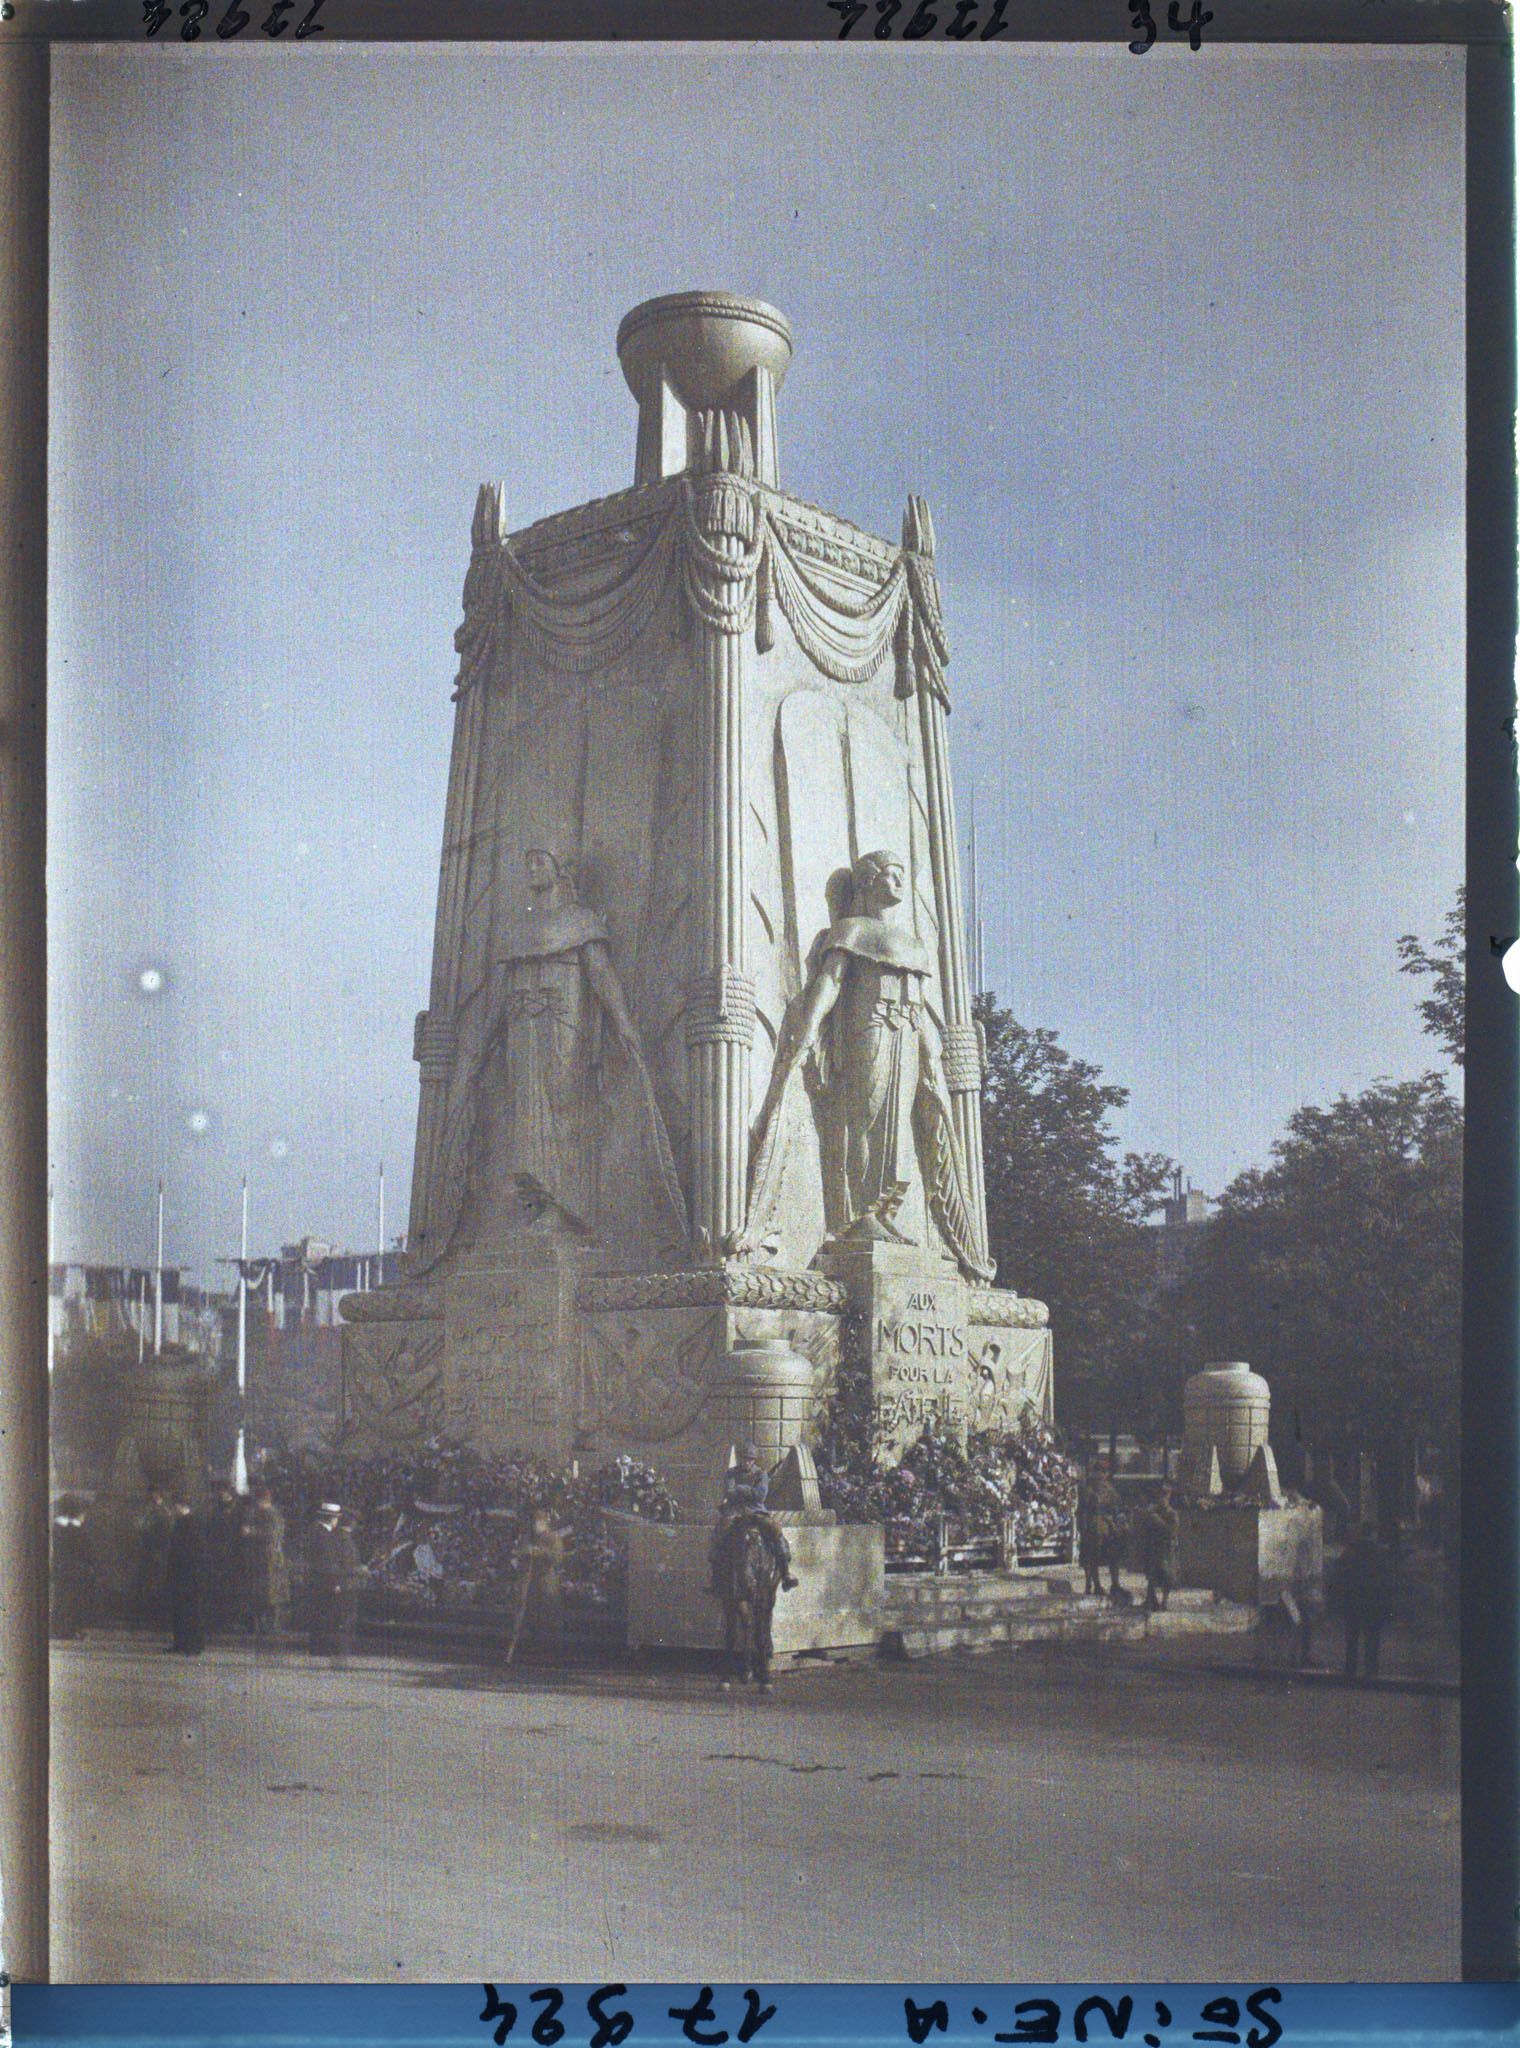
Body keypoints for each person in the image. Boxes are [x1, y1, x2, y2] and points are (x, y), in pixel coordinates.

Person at [706, 1447, 799, 1596]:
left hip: (756, 1510)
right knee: (719, 1532)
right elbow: (729, 1492)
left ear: (754, 1460)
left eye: (750, 1459)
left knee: (775, 1529)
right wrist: (749, 1491)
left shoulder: (760, 1474)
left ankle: (785, 1573)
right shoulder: (731, 1473)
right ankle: (716, 1579)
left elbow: (760, 1495)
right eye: (744, 1459)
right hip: (735, 1511)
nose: (746, 1462)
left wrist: (741, 1488)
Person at [1331, 1522, 1395, 1679]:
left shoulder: (1350, 1551)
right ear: (1372, 1534)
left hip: (1353, 1601)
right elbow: (1386, 1579)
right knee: (1372, 1638)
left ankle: (1350, 1670)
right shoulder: (1378, 1553)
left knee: (1352, 1638)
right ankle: (1371, 1671)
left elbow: (1338, 1576)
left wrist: (1339, 1599)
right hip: (1373, 1601)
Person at [306, 1501, 362, 1666]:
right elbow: (328, 1562)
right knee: (327, 1615)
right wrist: (335, 1582)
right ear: (332, 1518)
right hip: (326, 1580)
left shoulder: (321, 1532)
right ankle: (323, 1649)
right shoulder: (324, 1535)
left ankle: (320, 1647)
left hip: (321, 1579)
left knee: (322, 1615)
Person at [241, 1481, 290, 1641]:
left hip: (270, 1562)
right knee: (261, 1595)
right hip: (259, 1561)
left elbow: (272, 1535)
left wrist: (251, 1532)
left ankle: (272, 1626)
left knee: (271, 1596)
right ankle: (261, 1625)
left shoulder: (273, 1515)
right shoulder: (257, 1514)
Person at [164, 1499, 207, 1655]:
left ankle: (193, 1645)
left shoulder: (192, 1523)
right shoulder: (182, 1522)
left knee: (191, 1611)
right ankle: (181, 1643)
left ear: (181, 1506)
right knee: (180, 1610)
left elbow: (194, 1551)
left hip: (189, 1575)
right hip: (182, 1574)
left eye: (176, 1506)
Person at [206, 1480, 247, 1638]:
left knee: (232, 1588)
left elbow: (241, 1532)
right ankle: (219, 1620)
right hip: (217, 1554)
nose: (222, 1494)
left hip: (234, 1554)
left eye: (224, 1491)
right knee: (218, 1588)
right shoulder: (215, 1510)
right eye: (220, 1491)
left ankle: (233, 1619)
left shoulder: (239, 1510)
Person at [1079, 1457, 1125, 1598]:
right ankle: (1094, 1584)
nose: (1100, 1475)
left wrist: (1118, 1524)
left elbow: (1117, 1509)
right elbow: (1083, 1510)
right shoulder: (1088, 1490)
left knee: (1114, 1556)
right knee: (1092, 1556)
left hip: (1109, 1526)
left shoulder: (1111, 1490)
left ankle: (1115, 1584)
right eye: (1098, 1471)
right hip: (1093, 1526)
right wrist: (1083, 1526)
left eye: (1103, 1472)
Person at [50, 1495, 93, 1640]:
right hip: (74, 1570)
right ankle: (69, 1629)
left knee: (62, 1599)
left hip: (62, 1568)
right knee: (72, 1600)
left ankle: (62, 1629)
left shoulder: (59, 1527)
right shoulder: (75, 1529)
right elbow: (85, 1551)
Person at [132, 1488, 175, 1631]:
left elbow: (165, 1532)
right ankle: (149, 1617)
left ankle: (156, 1618)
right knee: (149, 1584)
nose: (155, 1497)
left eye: (157, 1494)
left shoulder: (163, 1512)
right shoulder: (152, 1510)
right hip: (151, 1552)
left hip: (157, 1552)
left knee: (156, 1584)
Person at [1137, 1483, 1181, 1612]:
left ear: (1168, 1497)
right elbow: (1145, 1528)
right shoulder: (1153, 1512)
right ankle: (1151, 1600)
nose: (1161, 1499)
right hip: (1154, 1547)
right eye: (1159, 1496)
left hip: (1166, 1548)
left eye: (1164, 1496)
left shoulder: (1172, 1513)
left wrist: (1158, 1521)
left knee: (1166, 1575)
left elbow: (1172, 1531)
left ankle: (1164, 1601)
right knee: (1152, 1574)